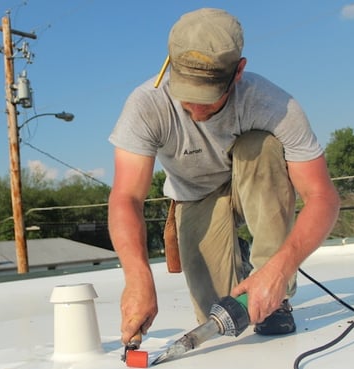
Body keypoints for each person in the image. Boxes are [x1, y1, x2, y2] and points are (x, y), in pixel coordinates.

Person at [108, 8, 340, 345]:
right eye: (187, 96)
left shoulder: (274, 105)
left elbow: (323, 196)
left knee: (259, 147)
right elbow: (126, 196)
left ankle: (271, 286)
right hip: (195, 195)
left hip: (254, 177)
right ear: (168, 68)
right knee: (220, 318)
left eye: (210, 97)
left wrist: (278, 270)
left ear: (239, 72)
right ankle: (242, 260)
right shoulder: (146, 105)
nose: (197, 110)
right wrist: (137, 276)